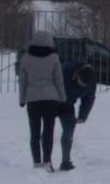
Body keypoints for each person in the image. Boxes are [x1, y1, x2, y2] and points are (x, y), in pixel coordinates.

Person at [17, 38, 70, 171]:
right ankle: (47, 161)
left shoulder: (25, 58)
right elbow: (59, 79)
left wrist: (22, 99)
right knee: (48, 130)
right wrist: (63, 97)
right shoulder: (54, 58)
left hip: (32, 99)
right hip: (50, 98)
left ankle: (36, 161)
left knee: (34, 131)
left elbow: (23, 81)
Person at [58, 59, 97, 172]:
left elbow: (88, 98)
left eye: (84, 85)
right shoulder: (65, 69)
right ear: (77, 75)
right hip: (52, 102)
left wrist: (82, 115)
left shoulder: (91, 81)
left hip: (68, 106)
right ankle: (46, 161)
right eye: (80, 82)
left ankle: (65, 162)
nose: (81, 85)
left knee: (69, 130)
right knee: (47, 131)